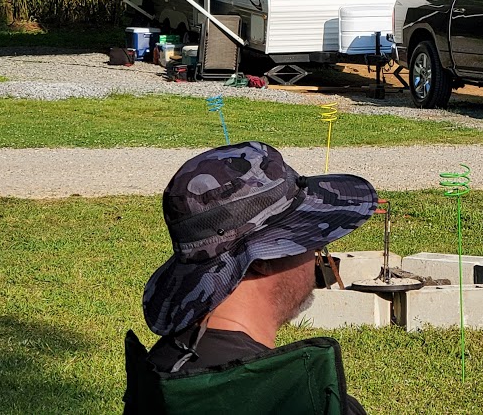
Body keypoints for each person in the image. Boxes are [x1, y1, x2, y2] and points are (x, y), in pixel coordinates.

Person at [125, 141, 378, 415]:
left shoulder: (161, 372)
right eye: (309, 242)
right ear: (266, 259)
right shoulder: (304, 402)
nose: (314, 255)